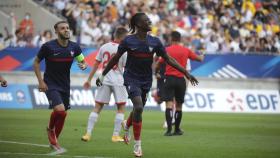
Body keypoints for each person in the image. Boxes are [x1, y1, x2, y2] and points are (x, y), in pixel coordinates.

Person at [96, 13, 198, 157]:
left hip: (146, 80)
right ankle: (137, 145)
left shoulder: (155, 42)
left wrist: (186, 73)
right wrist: (103, 74)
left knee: (139, 109)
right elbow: (115, 59)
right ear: (138, 24)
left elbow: (168, 59)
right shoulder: (128, 41)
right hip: (131, 78)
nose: (150, 22)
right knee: (138, 107)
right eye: (146, 20)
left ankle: (126, 124)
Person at [33, 21, 87, 152]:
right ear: (56, 31)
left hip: (65, 85)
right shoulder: (48, 46)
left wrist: (83, 65)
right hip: (50, 83)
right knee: (60, 110)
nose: (66, 30)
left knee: (63, 114)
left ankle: (54, 139)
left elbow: (83, 61)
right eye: (62, 28)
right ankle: (51, 129)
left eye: (67, 28)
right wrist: (41, 81)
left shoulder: (75, 47)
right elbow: (36, 62)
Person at [81, 27, 128, 142]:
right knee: (121, 108)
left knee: (97, 107)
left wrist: (89, 80)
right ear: (123, 37)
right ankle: (115, 135)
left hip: (104, 79)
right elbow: (127, 69)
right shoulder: (125, 50)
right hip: (118, 81)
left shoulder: (104, 47)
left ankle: (87, 133)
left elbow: (96, 65)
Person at [158, 31, 204, 136]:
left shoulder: (167, 50)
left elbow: (159, 62)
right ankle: (177, 129)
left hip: (169, 79)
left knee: (169, 104)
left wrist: (156, 72)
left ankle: (169, 130)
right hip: (181, 80)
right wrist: (202, 54)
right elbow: (199, 59)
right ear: (180, 39)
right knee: (179, 106)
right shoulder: (186, 50)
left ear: (171, 38)